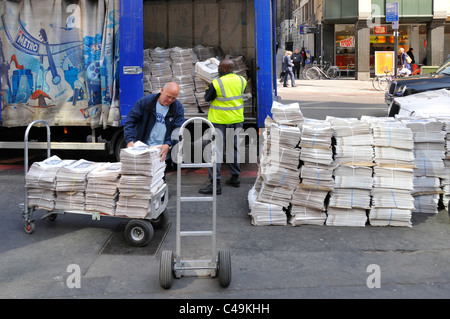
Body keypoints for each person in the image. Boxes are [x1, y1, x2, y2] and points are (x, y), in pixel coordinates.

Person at [199, 59, 247, 195]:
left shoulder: (217, 83)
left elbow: (208, 98)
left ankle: (215, 184)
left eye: (219, 66)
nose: (217, 68)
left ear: (225, 69)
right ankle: (235, 178)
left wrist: (206, 87)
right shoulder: (242, 80)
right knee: (234, 149)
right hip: (236, 119)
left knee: (215, 152)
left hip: (219, 120)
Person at [123, 82, 185, 164]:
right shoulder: (145, 102)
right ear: (162, 91)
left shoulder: (177, 107)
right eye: (168, 96)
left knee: (159, 175)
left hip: (162, 152)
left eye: (173, 98)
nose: (170, 100)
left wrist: (168, 144)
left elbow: (178, 129)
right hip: (143, 150)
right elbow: (130, 121)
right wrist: (130, 140)